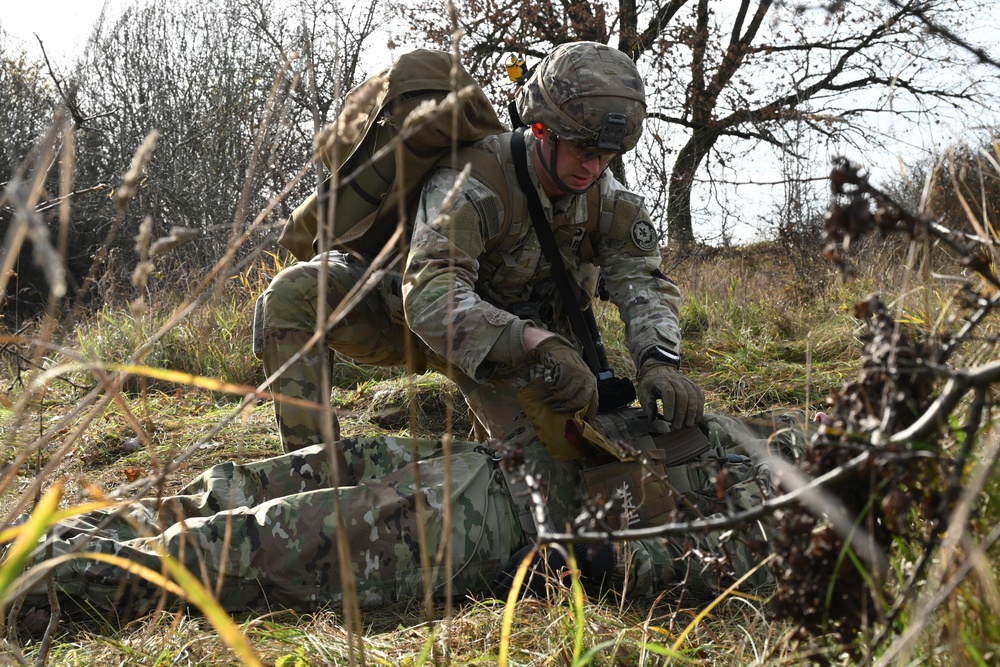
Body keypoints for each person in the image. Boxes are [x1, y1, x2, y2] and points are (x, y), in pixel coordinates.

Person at [255, 41, 703, 452]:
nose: (593, 166)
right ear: (542, 128)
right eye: (581, 149)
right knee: (295, 292)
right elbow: (430, 296)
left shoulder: (610, 203)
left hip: (519, 350)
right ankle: (312, 471)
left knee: (545, 467)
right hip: (411, 320)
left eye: (607, 155)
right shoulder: (472, 184)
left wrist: (659, 362)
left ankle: (489, 452)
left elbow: (643, 284)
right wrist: (536, 342)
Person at [9, 406, 808, 620]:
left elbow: (652, 562)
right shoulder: (759, 449)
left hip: (489, 532)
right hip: (489, 463)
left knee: (245, 547)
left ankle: (39, 584)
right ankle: (37, 545)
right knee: (241, 488)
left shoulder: (783, 547)